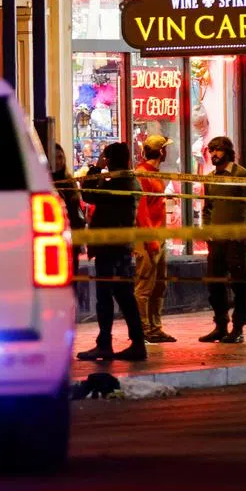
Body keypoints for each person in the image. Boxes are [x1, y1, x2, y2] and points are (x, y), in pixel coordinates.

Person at [76, 142, 146, 362]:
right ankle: (135, 343)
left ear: (110, 159)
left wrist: (96, 169)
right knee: (124, 296)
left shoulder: (120, 183)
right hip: (121, 247)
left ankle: (106, 344)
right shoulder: (129, 180)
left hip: (110, 248)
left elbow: (88, 195)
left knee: (107, 297)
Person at [199, 137, 246, 343]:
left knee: (239, 285)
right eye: (211, 150)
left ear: (228, 152)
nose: (214, 154)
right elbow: (207, 207)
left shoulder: (240, 174)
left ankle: (238, 327)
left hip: (236, 240)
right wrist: (207, 230)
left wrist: (244, 235)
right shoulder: (210, 178)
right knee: (214, 283)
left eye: (218, 150)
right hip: (216, 240)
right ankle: (220, 325)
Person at [133, 134, 175, 344]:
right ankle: (143, 329)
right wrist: (151, 240)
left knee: (159, 285)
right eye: (165, 148)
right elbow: (142, 212)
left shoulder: (155, 174)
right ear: (160, 151)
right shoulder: (142, 175)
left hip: (159, 236)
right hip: (148, 238)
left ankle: (155, 328)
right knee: (144, 286)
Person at [51, 144, 86, 274]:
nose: (58, 161)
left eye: (60, 157)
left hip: (72, 237)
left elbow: (76, 210)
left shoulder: (69, 180)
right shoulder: (46, 181)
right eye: (54, 158)